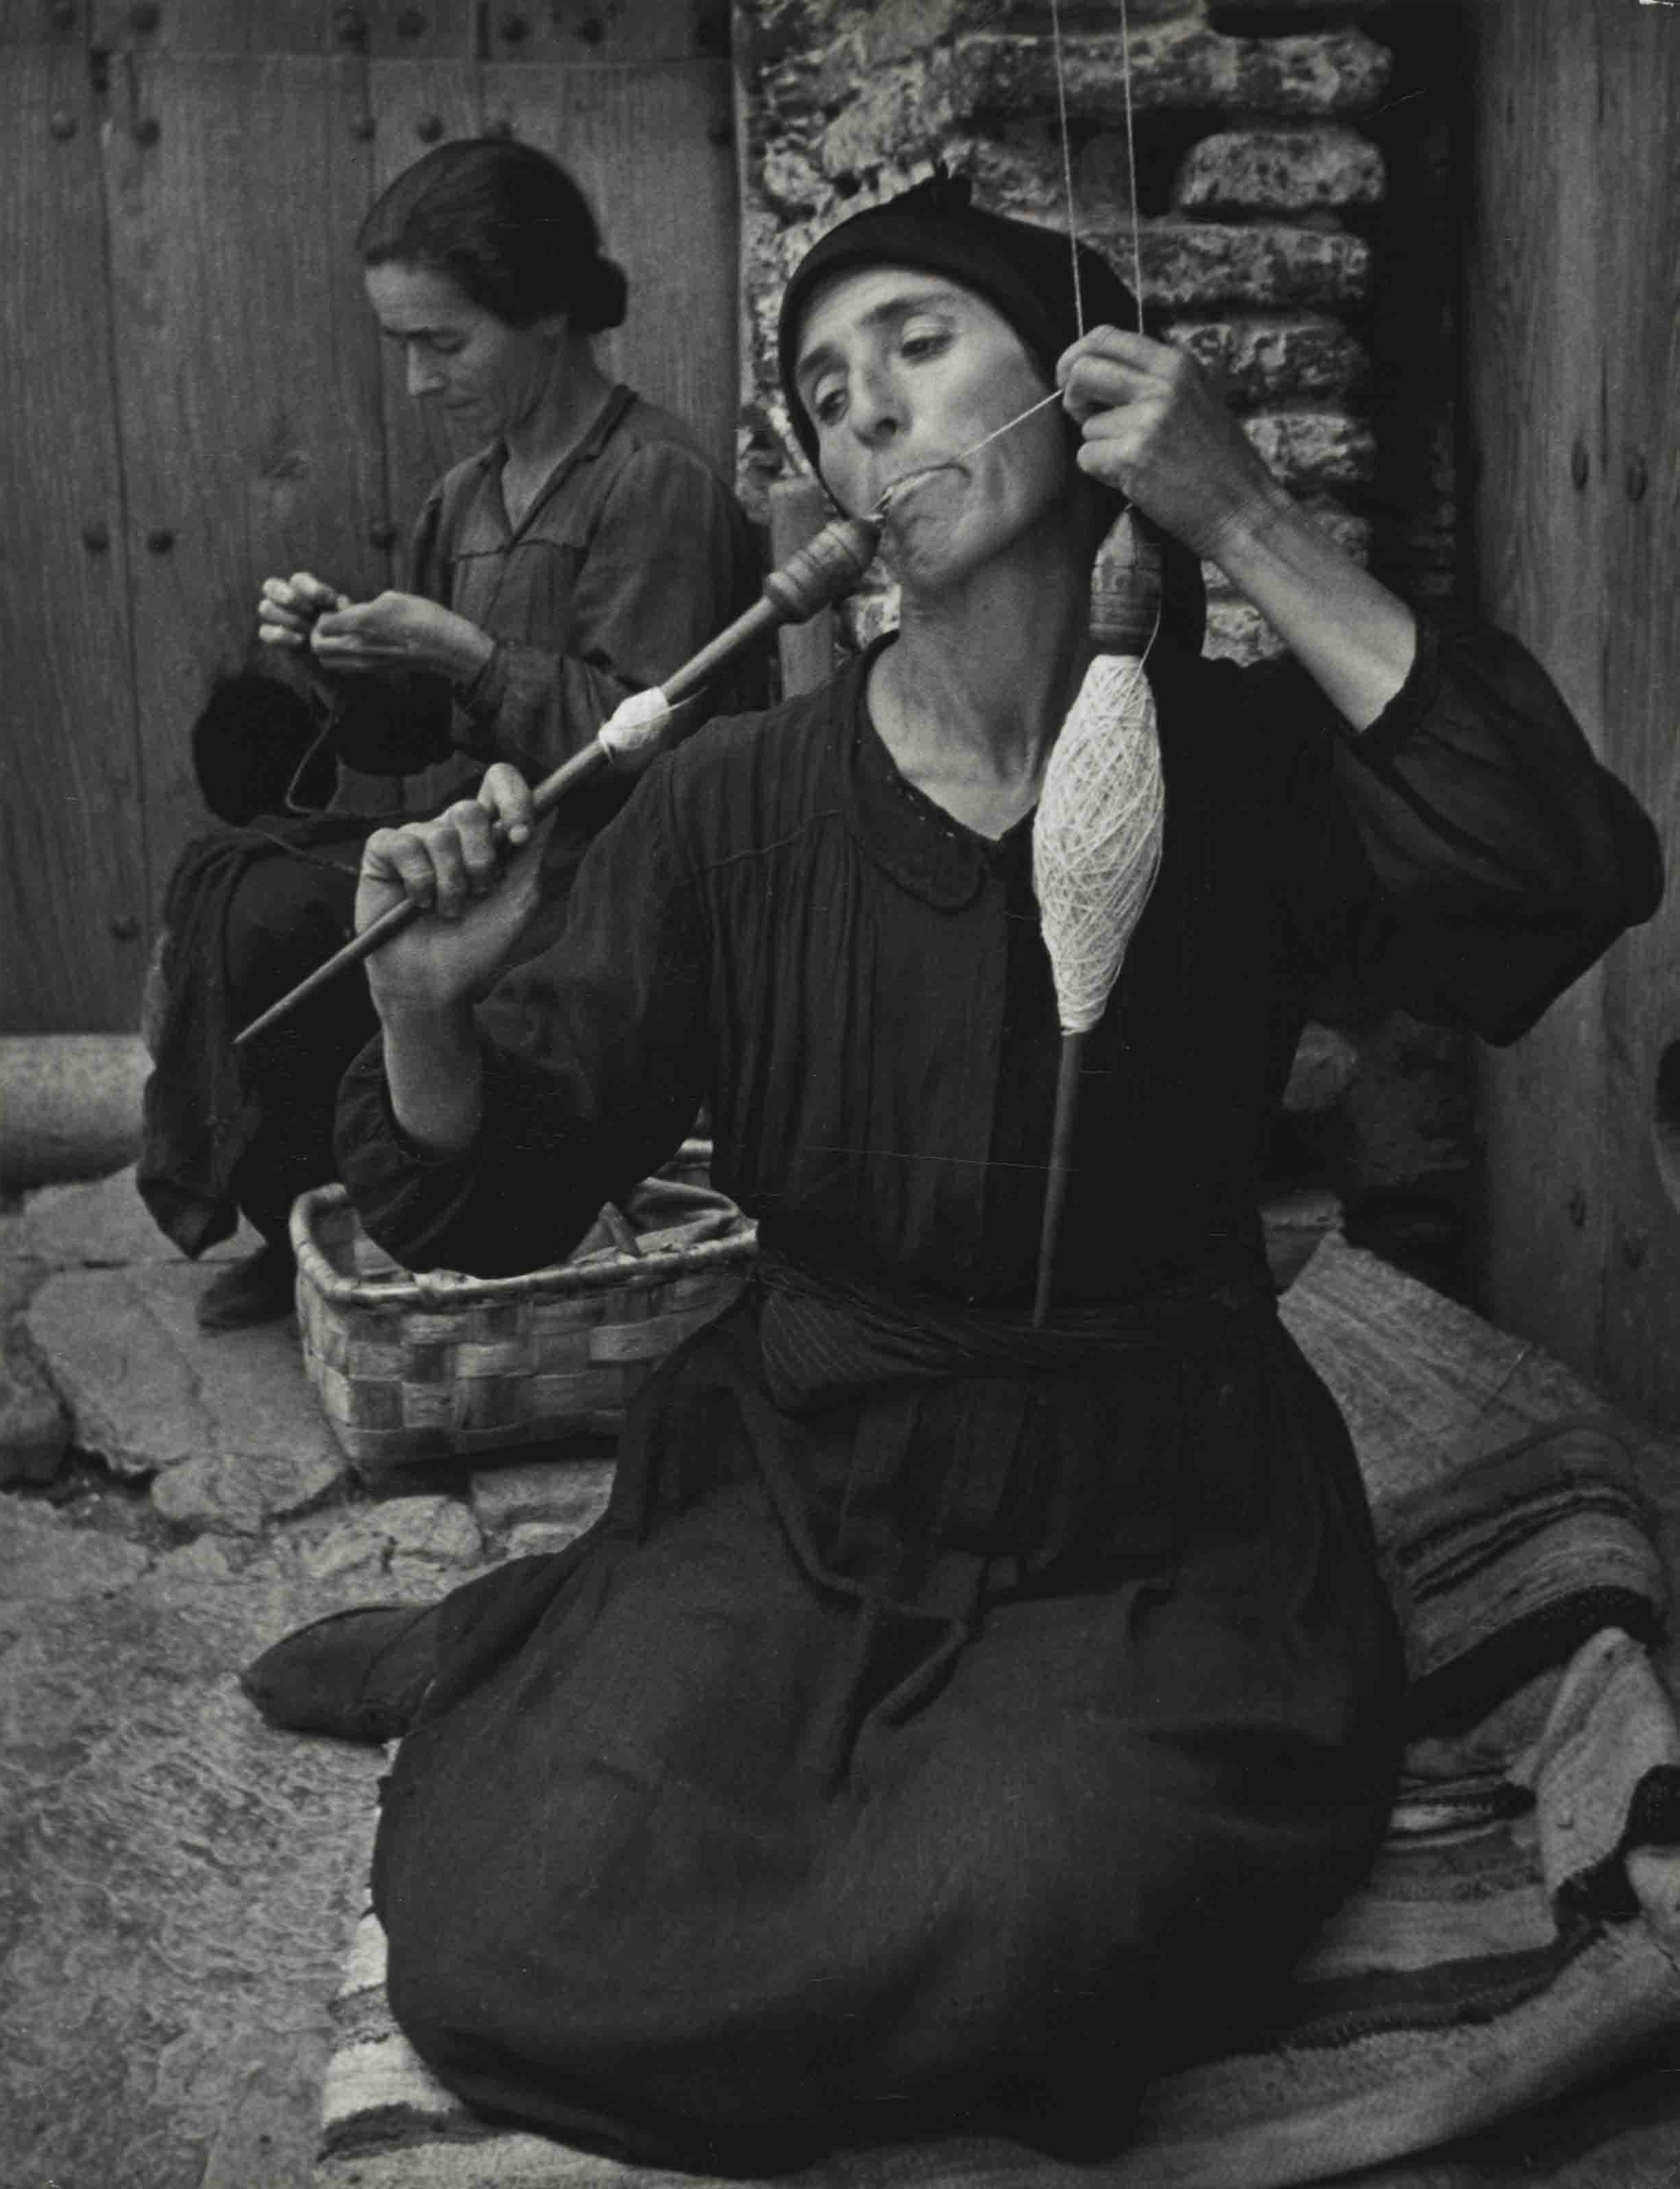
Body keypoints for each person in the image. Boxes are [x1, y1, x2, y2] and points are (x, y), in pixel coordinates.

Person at [242, 173, 1662, 2168]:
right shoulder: (736, 807)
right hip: (809, 1460)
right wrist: (425, 1015)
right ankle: (546, 1645)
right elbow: (492, 1194)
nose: (870, 416)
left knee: (1029, 1904)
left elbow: (1565, 873)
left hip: (1166, 1500)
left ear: (1080, 396)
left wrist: (1242, 516)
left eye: (920, 346)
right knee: (528, 1916)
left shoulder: (1241, 766)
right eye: (828, 394)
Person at [137, 137, 763, 1330]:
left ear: (552, 316)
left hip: (612, 888)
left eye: (447, 342)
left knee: (286, 918)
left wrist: (461, 655)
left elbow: (659, 749)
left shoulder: (651, 484)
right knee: (237, 880)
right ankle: (309, 1213)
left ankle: (386, 1210)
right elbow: (406, 743)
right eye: (403, 347)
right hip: (497, 855)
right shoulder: (465, 499)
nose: (420, 381)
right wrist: (343, 657)